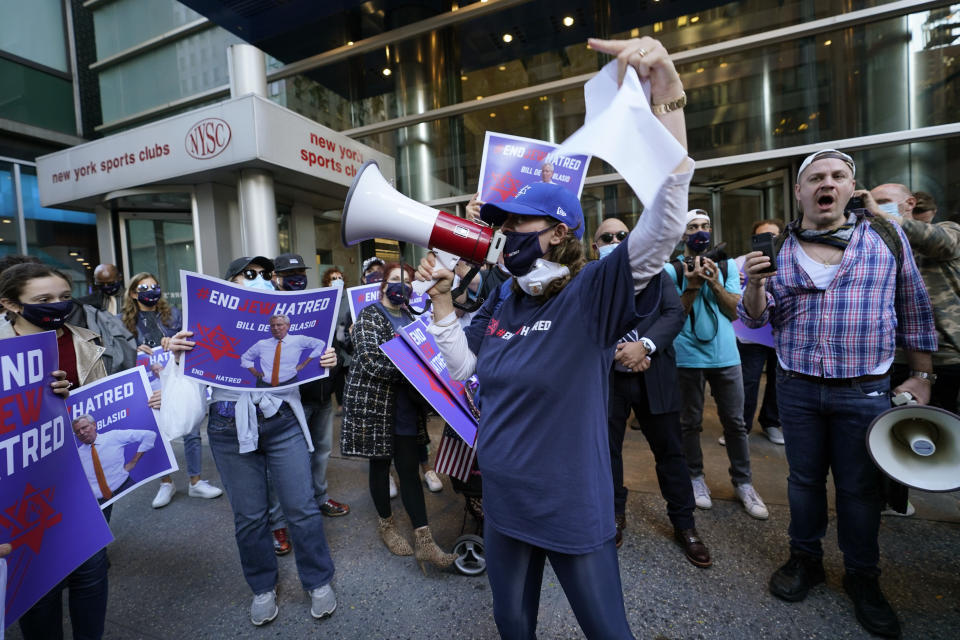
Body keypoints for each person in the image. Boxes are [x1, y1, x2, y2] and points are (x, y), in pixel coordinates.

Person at [417, 35, 692, 639]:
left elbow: (666, 217)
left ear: (558, 232)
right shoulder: (505, 297)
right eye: (501, 223)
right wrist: (441, 303)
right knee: (512, 624)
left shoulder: (591, 291)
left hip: (569, 505)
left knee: (607, 630)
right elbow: (465, 371)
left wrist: (667, 95)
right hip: (504, 502)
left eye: (517, 222)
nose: (504, 232)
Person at [740, 149, 937, 639]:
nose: (826, 184)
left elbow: (913, 303)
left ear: (851, 189)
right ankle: (804, 559)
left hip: (865, 386)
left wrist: (922, 375)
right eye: (816, 178)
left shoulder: (886, 237)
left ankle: (863, 577)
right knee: (803, 482)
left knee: (858, 489)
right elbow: (756, 319)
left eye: (837, 176)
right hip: (797, 385)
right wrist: (754, 286)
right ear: (800, 191)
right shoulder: (780, 247)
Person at [167, 255, 339, 626]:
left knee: (302, 507)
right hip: (229, 430)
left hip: (282, 423)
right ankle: (262, 586)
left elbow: (313, 357)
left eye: (265, 274)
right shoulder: (203, 322)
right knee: (249, 517)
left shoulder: (284, 325)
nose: (260, 278)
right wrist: (176, 355)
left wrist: (326, 357)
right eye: (250, 274)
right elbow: (189, 377)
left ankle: (318, 579)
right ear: (230, 282)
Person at [0, 262, 156, 640]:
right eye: (44, 299)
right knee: (40, 586)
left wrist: (141, 402)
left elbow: (104, 404)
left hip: (83, 479)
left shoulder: (85, 340)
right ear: (11, 305)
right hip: (26, 488)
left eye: (65, 297)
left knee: (90, 571)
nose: (58, 305)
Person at [596, 217, 711, 567]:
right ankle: (614, 515)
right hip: (609, 379)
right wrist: (620, 350)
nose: (615, 240)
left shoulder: (655, 273)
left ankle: (684, 524)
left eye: (621, 235)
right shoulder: (592, 279)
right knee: (607, 453)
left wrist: (644, 347)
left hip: (655, 375)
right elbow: (583, 324)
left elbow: (673, 315)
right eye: (607, 237)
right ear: (594, 245)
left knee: (671, 453)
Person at [340, 262, 456, 572]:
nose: (401, 285)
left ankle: (425, 540)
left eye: (406, 280)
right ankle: (387, 527)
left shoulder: (410, 317)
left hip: (405, 409)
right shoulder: (370, 315)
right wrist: (416, 372)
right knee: (380, 467)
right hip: (376, 407)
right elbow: (369, 360)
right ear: (382, 285)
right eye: (394, 280)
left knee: (409, 472)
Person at [865, 184, 960, 517]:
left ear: (910, 203)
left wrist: (884, 217)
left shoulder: (947, 231)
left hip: (949, 357)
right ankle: (893, 502)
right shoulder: (877, 243)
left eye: (884, 203)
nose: (876, 208)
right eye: (873, 203)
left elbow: (943, 244)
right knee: (893, 432)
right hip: (899, 356)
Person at [667, 209, 768, 520]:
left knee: (736, 424)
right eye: (694, 227)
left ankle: (744, 482)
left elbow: (736, 313)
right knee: (689, 423)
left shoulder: (724, 266)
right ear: (683, 235)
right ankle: (695, 478)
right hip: (687, 358)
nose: (701, 231)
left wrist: (713, 283)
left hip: (725, 356)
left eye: (705, 226)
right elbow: (672, 318)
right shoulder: (671, 271)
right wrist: (692, 286)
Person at [120, 272, 223, 508]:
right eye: (144, 287)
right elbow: (121, 355)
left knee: (192, 427)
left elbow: (190, 343)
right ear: (134, 293)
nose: (151, 291)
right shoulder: (123, 321)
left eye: (155, 286)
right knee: (155, 430)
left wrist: (173, 343)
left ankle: (195, 481)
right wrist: (137, 351)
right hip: (147, 381)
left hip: (176, 376)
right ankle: (165, 482)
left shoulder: (173, 314)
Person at [271, 257, 350, 519]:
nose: (297, 278)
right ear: (276, 278)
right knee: (285, 461)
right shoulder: (269, 309)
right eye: (289, 273)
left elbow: (333, 348)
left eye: (300, 272)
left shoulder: (319, 307)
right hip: (289, 402)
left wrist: (334, 360)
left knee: (321, 452)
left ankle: (319, 498)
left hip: (322, 395)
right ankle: (279, 519)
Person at [736, 219, 785, 445]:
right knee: (748, 380)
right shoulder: (742, 263)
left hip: (782, 334)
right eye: (762, 237)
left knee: (778, 382)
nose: (769, 241)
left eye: (774, 236)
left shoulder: (792, 259)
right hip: (753, 334)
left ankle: (771, 423)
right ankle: (741, 427)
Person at [72, 415, 156, 501]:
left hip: (125, 488)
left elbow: (149, 435)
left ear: (94, 425)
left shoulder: (113, 436)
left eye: (84, 427)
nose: (81, 433)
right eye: (77, 431)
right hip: (100, 503)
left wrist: (133, 462)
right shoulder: (77, 455)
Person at [241, 314, 327, 387]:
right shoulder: (262, 344)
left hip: (289, 384)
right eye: (272, 325)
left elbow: (320, 343)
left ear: (288, 326)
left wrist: (304, 364)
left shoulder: (298, 340)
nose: (275, 328)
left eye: (279, 325)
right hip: (263, 385)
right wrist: (255, 372)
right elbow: (245, 358)